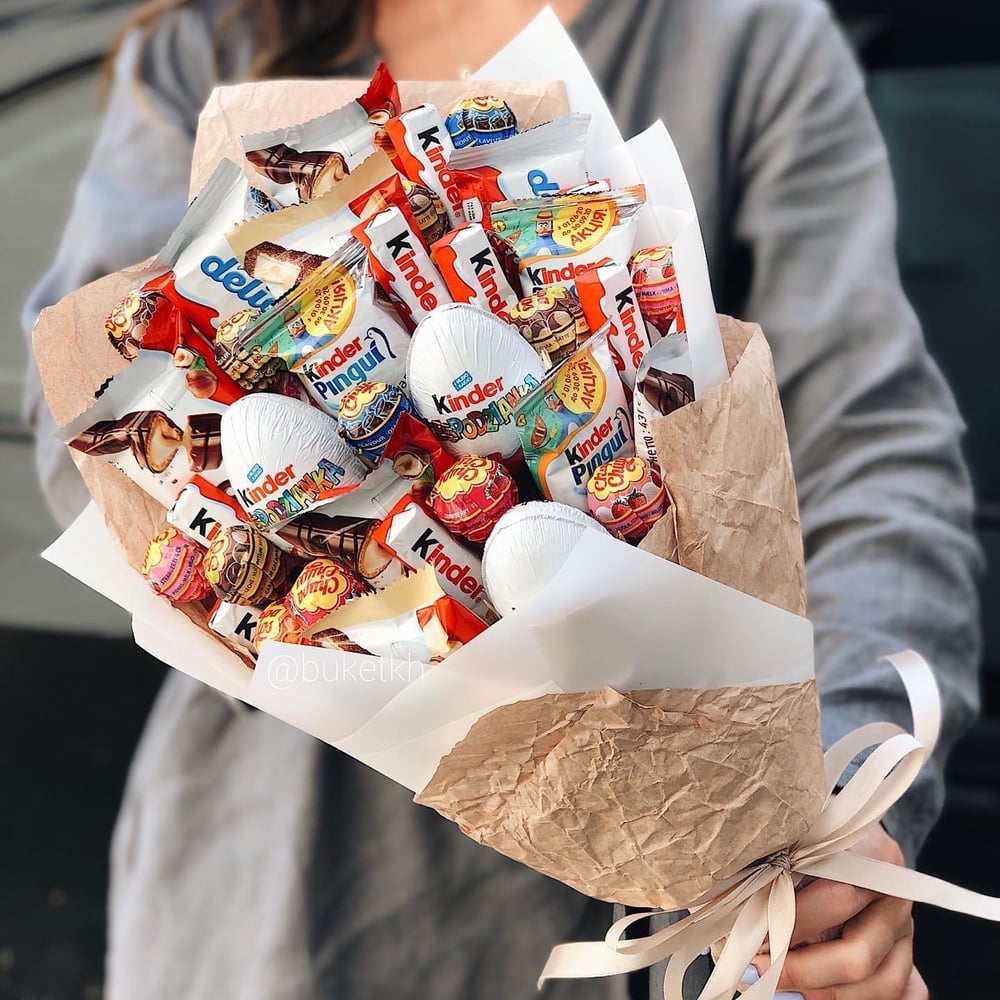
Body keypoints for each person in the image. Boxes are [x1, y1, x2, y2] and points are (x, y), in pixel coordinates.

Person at [22, 0, 981, 997]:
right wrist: (339, 615)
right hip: (281, 893)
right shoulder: (211, 43)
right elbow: (87, 443)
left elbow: (870, 453)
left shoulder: (740, 39)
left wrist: (832, 800)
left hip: (688, 878)